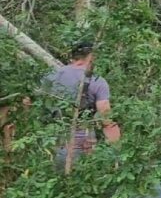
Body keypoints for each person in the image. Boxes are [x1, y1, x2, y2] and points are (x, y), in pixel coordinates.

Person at [41, 42, 121, 171]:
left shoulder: (50, 77)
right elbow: (106, 120)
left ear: (73, 57)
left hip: (49, 140)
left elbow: (35, 103)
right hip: (82, 142)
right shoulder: (97, 81)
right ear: (91, 57)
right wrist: (117, 154)